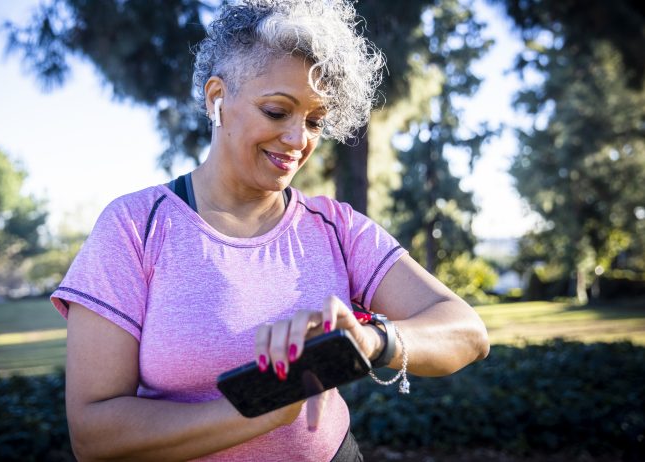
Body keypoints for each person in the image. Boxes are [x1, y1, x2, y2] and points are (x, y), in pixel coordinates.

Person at [51, 1, 490, 460]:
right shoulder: (135, 227)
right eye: (277, 112)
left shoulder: (337, 228)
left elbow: (467, 332)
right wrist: (259, 408)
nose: (299, 140)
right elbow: (94, 436)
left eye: (315, 121)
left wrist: (372, 340)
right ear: (217, 98)